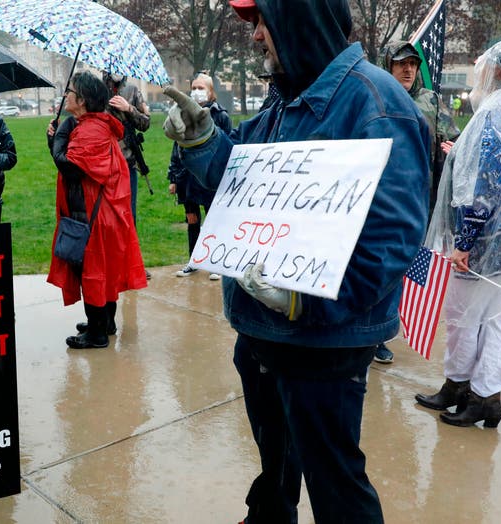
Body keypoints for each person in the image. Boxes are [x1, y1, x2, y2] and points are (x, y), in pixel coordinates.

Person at [162, 0, 429, 522]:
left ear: (299, 19)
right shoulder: (284, 101)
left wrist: (305, 302)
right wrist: (203, 140)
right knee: (275, 461)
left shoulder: (376, 105)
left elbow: (392, 239)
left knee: (335, 480)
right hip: (262, 329)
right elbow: (239, 181)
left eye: (263, 21)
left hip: (325, 343)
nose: (256, 35)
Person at [416, 38, 501, 429]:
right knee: (495, 316)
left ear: (496, 69)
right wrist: (461, 152)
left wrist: (464, 241)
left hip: (487, 239)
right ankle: (478, 393)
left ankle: (470, 390)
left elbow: (488, 184)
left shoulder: (495, 111)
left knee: (463, 314)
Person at [373, 40, 461, 364]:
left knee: (410, 266)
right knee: (381, 266)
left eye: (412, 64)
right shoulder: (374, 97)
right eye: (401, 64)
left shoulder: (430, 100)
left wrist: (454, 148)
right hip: (382, 199)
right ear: (388, 66)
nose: (408, 69)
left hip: (420, 199)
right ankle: (376, 334)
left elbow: (452, 137)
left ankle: (393, 325)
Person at [46, 71, 147, 349]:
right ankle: (104, 322)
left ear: (82, 100)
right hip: (101, 213)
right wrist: (60, 135)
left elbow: (69, 165)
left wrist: (60, 135)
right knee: (105, 271)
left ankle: (97, 334)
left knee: (93, 272)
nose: (66, 94)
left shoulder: (90, 130)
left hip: (96, 215)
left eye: (70, 91)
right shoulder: (93, 125)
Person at [168, 73, 231, 281]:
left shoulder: (221, 116)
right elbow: (176, 149)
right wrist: (173, 178)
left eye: (201, 88)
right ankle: (194, 260)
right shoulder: (183, 115)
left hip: (212, 182)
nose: (196, 91)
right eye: (194, 87)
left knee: (214, 222)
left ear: (211, 91)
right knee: (192, 221)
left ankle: (216, 262)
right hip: (189, 181)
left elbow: (228, 147)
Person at [102, 71, 151, 223]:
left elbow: (145, 123)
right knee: (105, 216)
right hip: (103, 163)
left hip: (127, 162)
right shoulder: (96, 90)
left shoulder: (132, 90)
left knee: (129, 214)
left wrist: (128, 108)